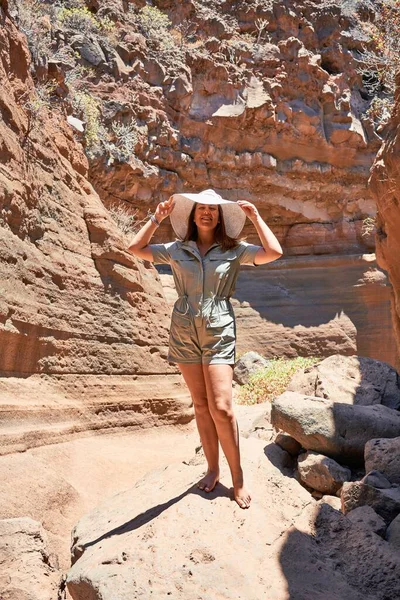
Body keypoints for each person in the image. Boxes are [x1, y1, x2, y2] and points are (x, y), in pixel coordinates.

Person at [128, 189, 283, 509]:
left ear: (220, 216)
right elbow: (135, 248)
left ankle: (237, 478)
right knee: (200, 405)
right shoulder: (176, 249)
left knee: (222, 408)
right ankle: (212, 469)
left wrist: (256, 218)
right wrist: (156, 218)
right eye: (201, 209)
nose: (207, 213)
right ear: (192, 215)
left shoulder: (234, 250)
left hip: (219, 331)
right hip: (184, 331)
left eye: (213, 210)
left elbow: (274, 251)